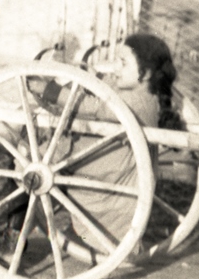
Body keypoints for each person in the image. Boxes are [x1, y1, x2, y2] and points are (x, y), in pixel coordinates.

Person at [21, 34, 184, 252]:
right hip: (100, 162)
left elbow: (98, 107)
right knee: (32, 160)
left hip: (99, 170)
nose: (115, 67)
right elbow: (97, 100)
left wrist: (51, 91)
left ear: (145, 73)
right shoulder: (141, 94)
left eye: (123, 63)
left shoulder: (138, 100)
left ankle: (13, 230)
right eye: (116, 60)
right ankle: (15, 227)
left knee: (24, 163)